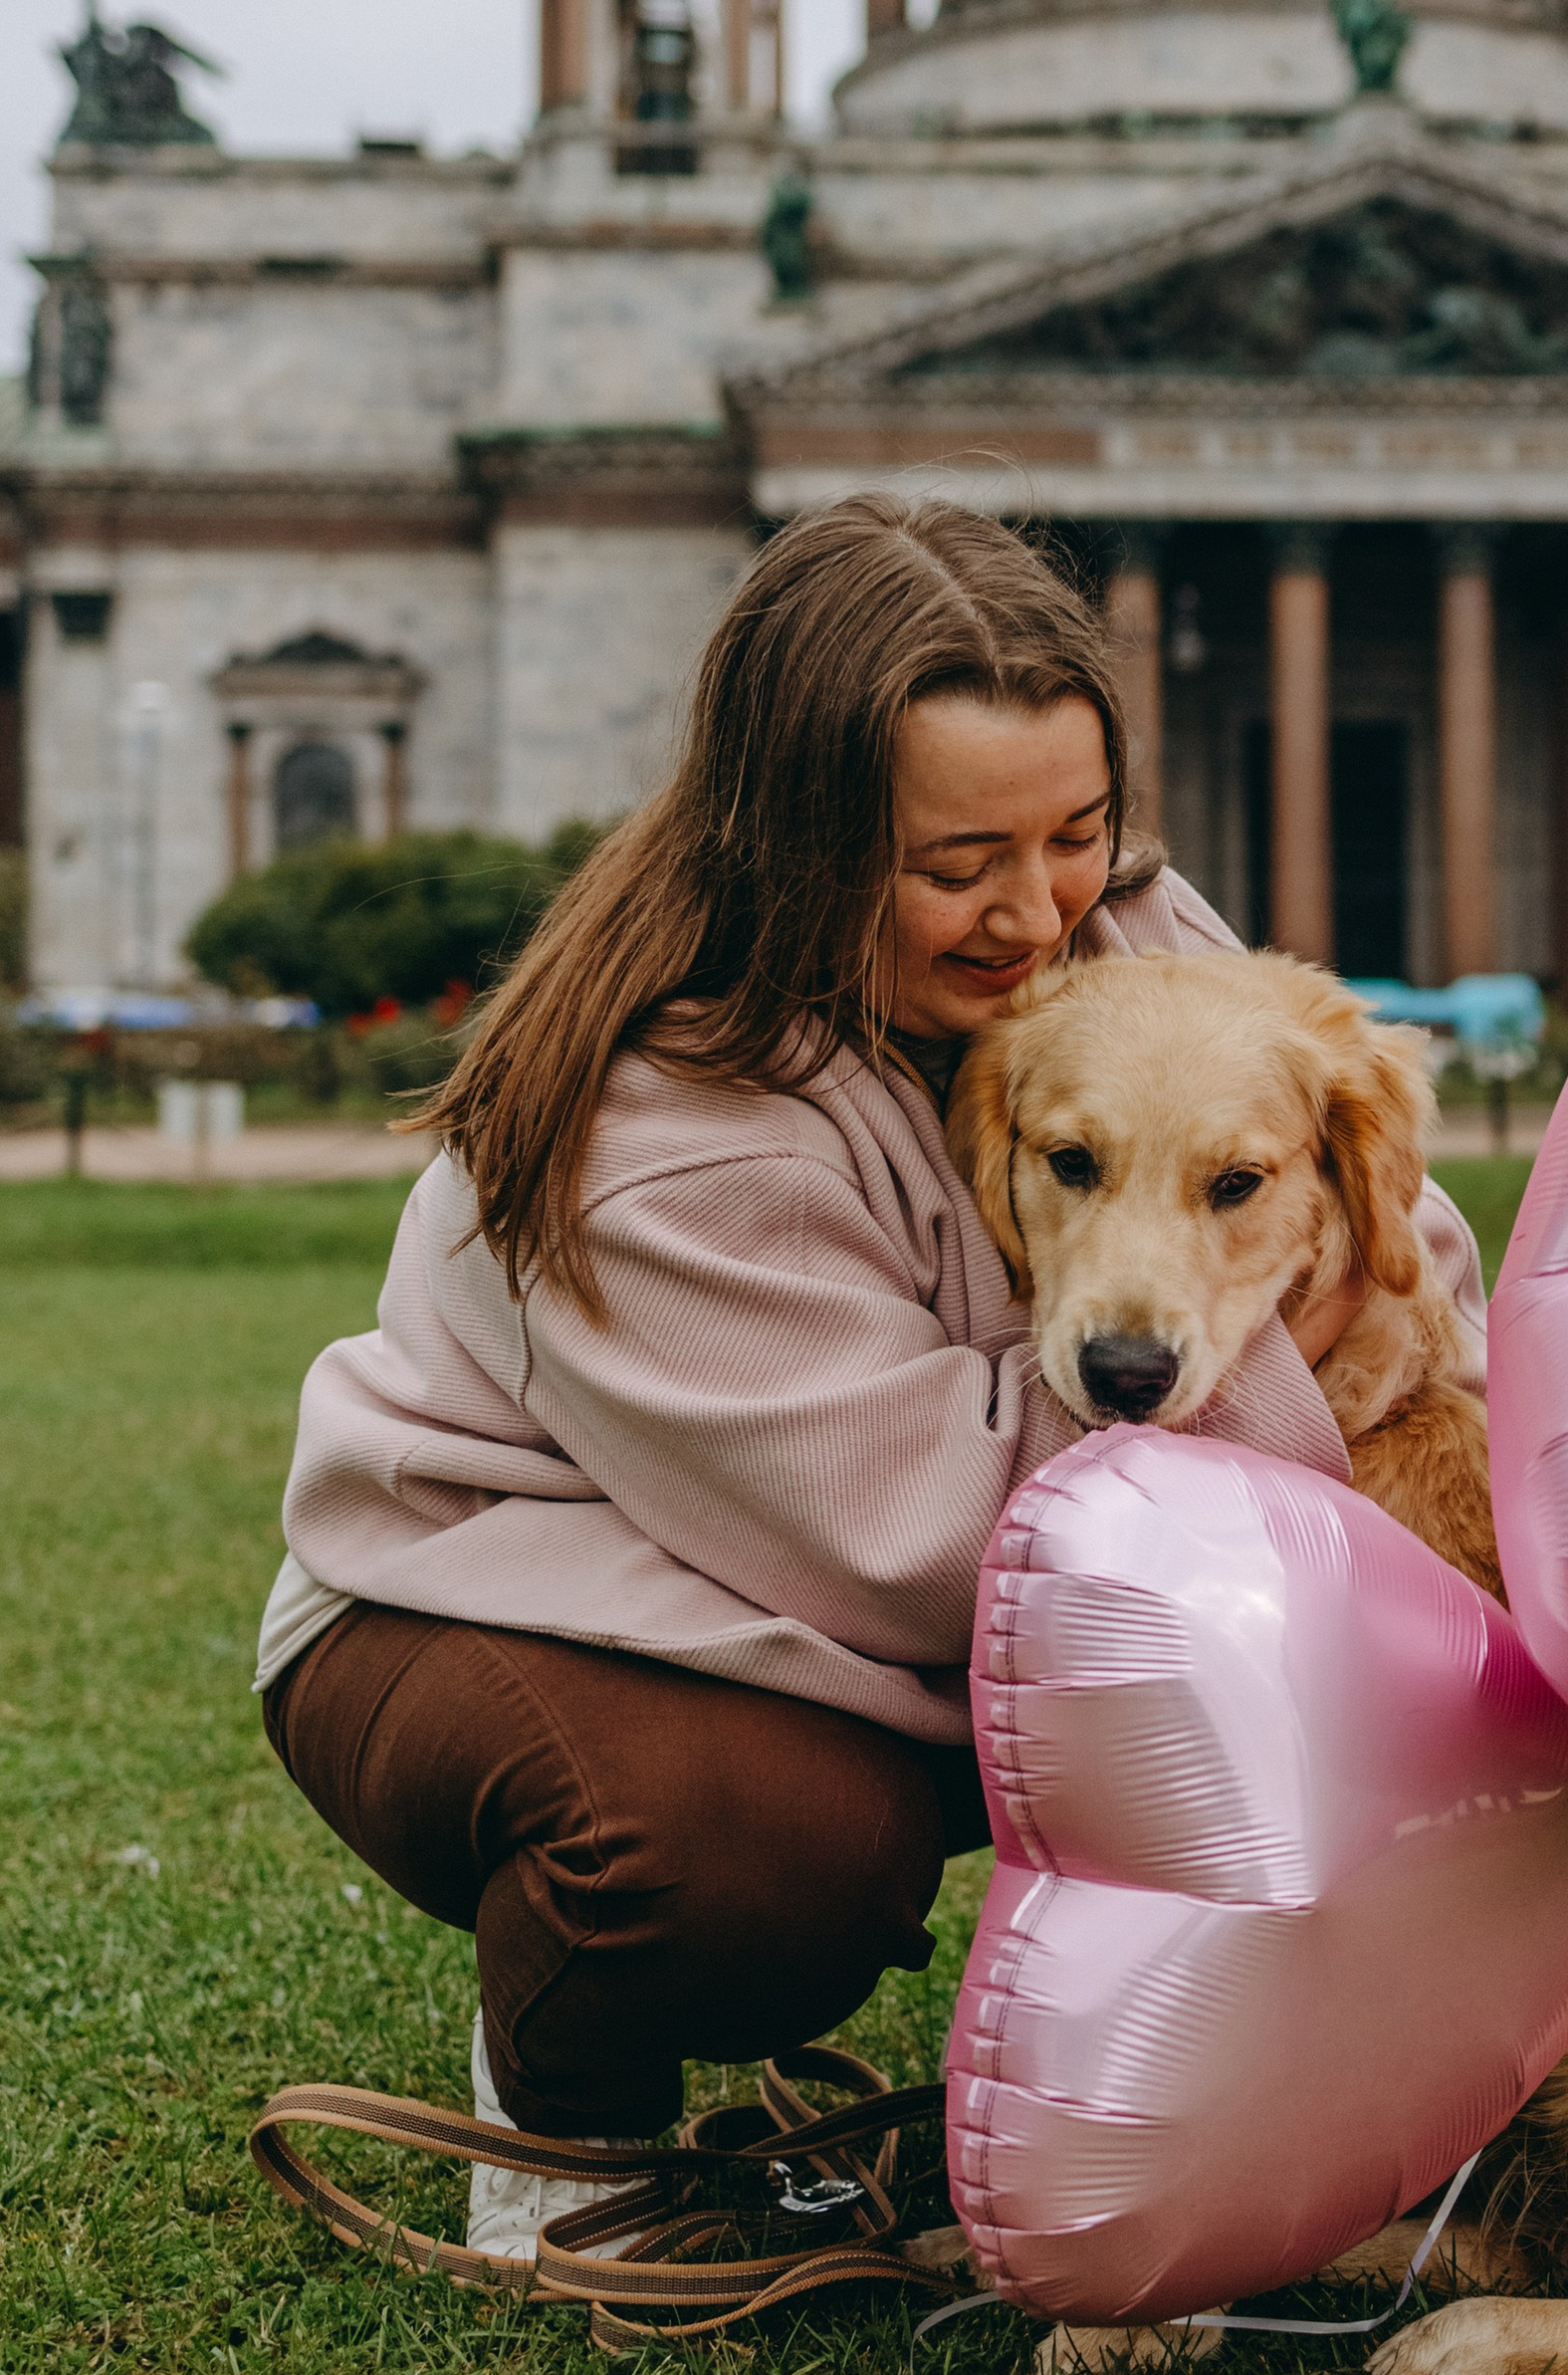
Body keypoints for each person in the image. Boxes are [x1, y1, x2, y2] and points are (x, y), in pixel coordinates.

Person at [258, 499, 1485, 2254]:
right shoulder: (649, 1116)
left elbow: (1406, 1238)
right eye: (954, 860)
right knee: (763, 1855)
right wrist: (1307, 1332)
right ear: (799, 837)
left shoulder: (1113, 921)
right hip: (496, 1613)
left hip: (851, 1603)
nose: (1036, 912)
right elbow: (935, 1529)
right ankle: (565, 2142)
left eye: (1073, 832)